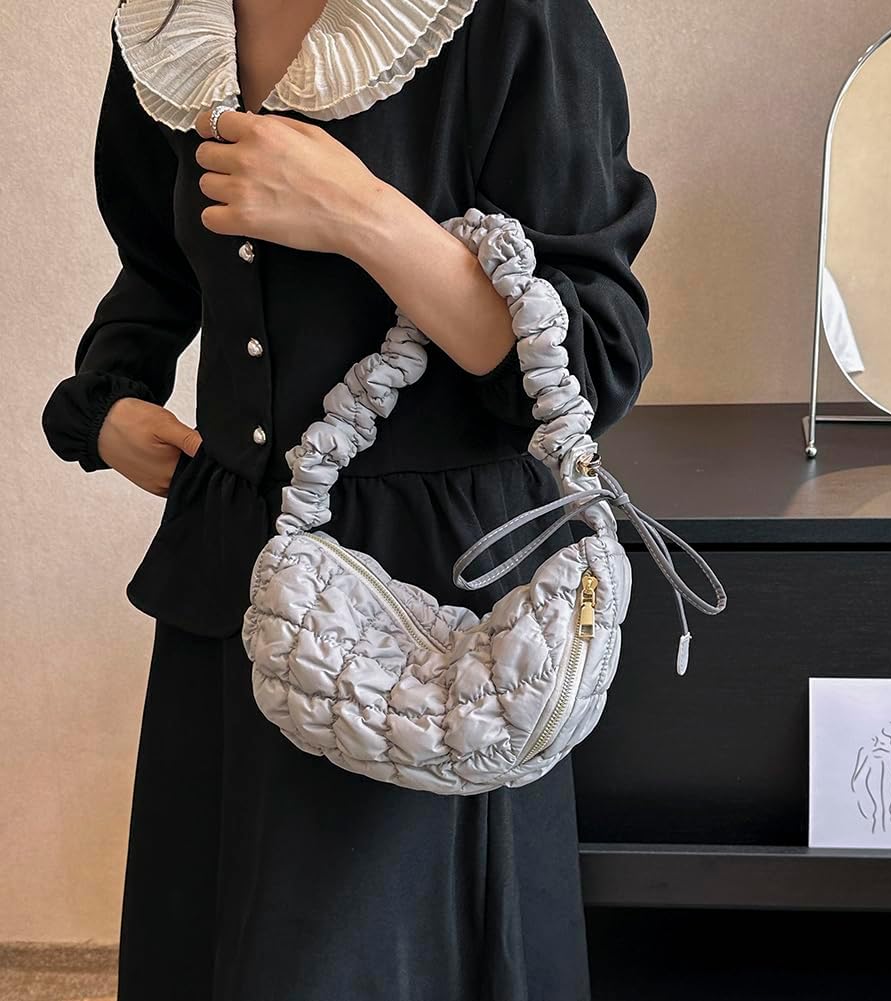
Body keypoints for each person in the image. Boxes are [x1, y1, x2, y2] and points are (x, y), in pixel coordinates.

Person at [40, 1, 656, 998]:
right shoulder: (168, 23)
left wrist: (358, 212)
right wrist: (109, 398)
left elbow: (593, 359)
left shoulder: (505, 19)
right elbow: (155, 266)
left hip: (431, 625)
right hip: (226, 582)